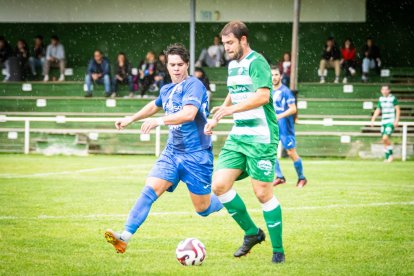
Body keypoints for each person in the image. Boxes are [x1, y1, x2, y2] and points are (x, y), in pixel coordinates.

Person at [104, 43, 223, 254]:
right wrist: (131, 118)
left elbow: (188, 114)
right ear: (166, 66)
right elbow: (154, 105)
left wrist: (159, 122)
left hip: (196, 155)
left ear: (187, 65)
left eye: (180, 64)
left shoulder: (194, 85)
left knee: (202, 209)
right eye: (172, 65)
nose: (176, 68)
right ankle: (124, 237)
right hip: (172, 152)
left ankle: (225, 199)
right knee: (149, 191)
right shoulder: (167, 89)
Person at [205, 21, 285, 264]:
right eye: (225, 43)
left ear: (243, 40)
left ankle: (278, 250)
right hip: (239, 136)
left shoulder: (257, 62)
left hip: (261, 137)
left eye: (230, 43)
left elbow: (263, 95)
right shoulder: (233, 65)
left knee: (262, 193)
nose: (226, 48)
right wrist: (225, 108)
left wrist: (231, 110)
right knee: (219, 185)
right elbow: (236, 89)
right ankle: (252, 233)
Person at [271, 66, 307, 188]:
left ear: (280, 76)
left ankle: (302, 178)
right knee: (270, 152)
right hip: (273, 127)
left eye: (276, 75)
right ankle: (280, 177)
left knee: (291, 152)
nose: (274, 77)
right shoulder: (268, 91)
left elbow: (293, 109)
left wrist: (279, 116)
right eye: (272, 75)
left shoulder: (286, 91)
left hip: (285, 127)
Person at [370, 85, 400, 162]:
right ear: (381, 91)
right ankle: (387, 157)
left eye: (386, 89)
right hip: (383, 122)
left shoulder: (393, 98)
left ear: (389, 90)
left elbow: (398, 110)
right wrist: (373, 119)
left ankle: (391, 155)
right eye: (383, 89)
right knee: (384, 140)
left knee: (385, 138)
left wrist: (396, 120)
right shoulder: (381, 99)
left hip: (390, 121)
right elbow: (378, 109)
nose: (384, 91)